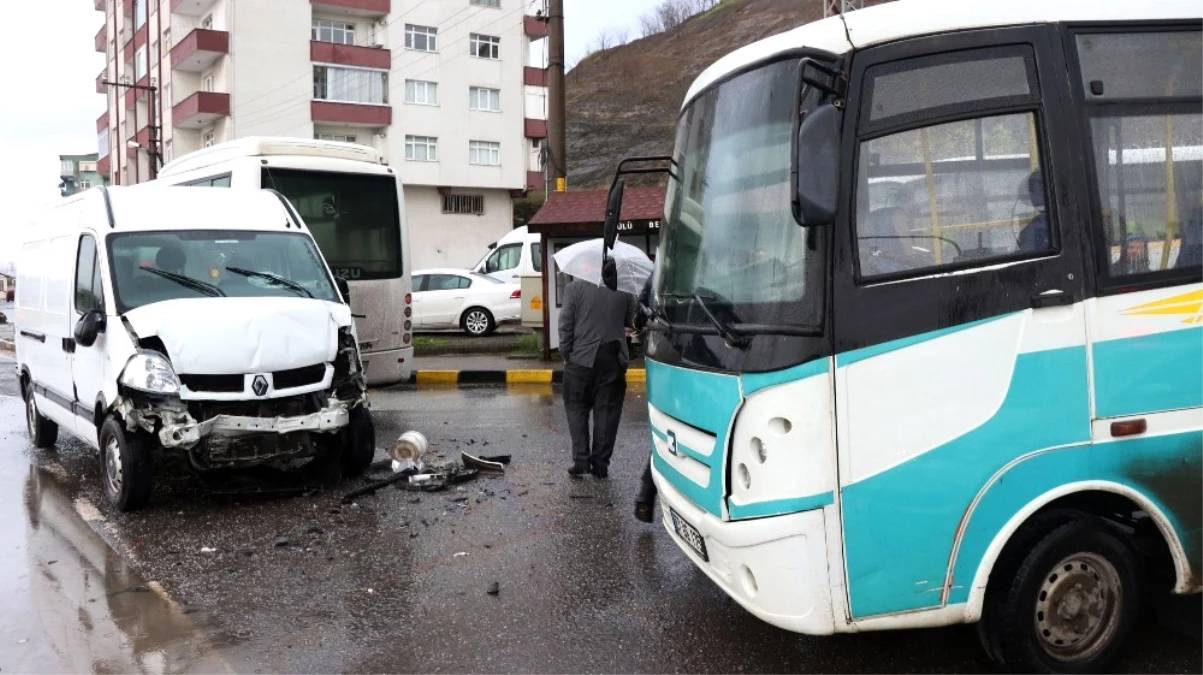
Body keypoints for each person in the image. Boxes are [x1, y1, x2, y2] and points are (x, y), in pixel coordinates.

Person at [559, 258, 639, 479]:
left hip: (580, 360)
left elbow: (565, 325)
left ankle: (581, 461)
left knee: (576, 408)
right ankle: (601, 465)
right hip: (612, 358)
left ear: (589, 267)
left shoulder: (574, 289)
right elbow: (632, 322)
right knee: (607, 413)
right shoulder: (623, 291)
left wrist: (566, 354)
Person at [634, 273, 657, 522]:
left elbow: (640, 314)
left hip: (665, 357)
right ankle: (645, 495)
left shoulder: (662, 274)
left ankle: (645, 496)